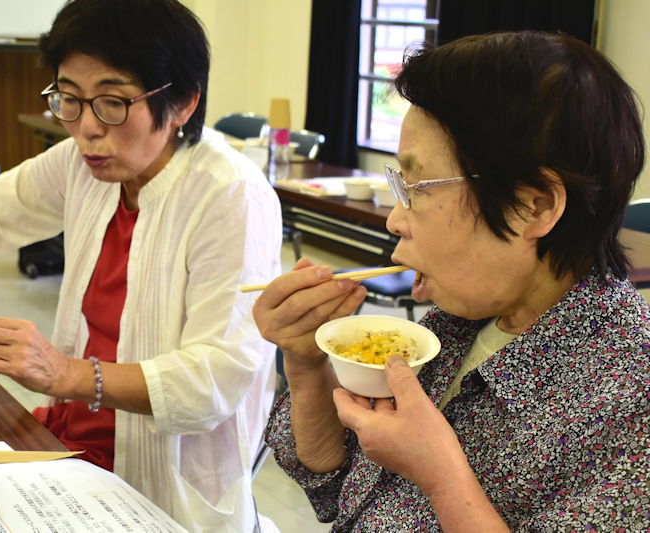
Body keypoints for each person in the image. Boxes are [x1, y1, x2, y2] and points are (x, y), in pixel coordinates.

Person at [0, 0, 281, 531]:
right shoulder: (85, 165)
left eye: (112, 102)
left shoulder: (229, 195)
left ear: (182, 102)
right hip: (68, 440)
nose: (86, 128)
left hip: (155, 482)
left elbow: (212, 382)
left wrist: (67, 373)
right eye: (69, 99)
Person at [253, 31, 650, 532]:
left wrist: (441, 477)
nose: (396, 220)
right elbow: (336, 490)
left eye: (416, 187)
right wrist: (308, 366)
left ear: (536, 206)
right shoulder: (460, 321)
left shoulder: (631, 405)